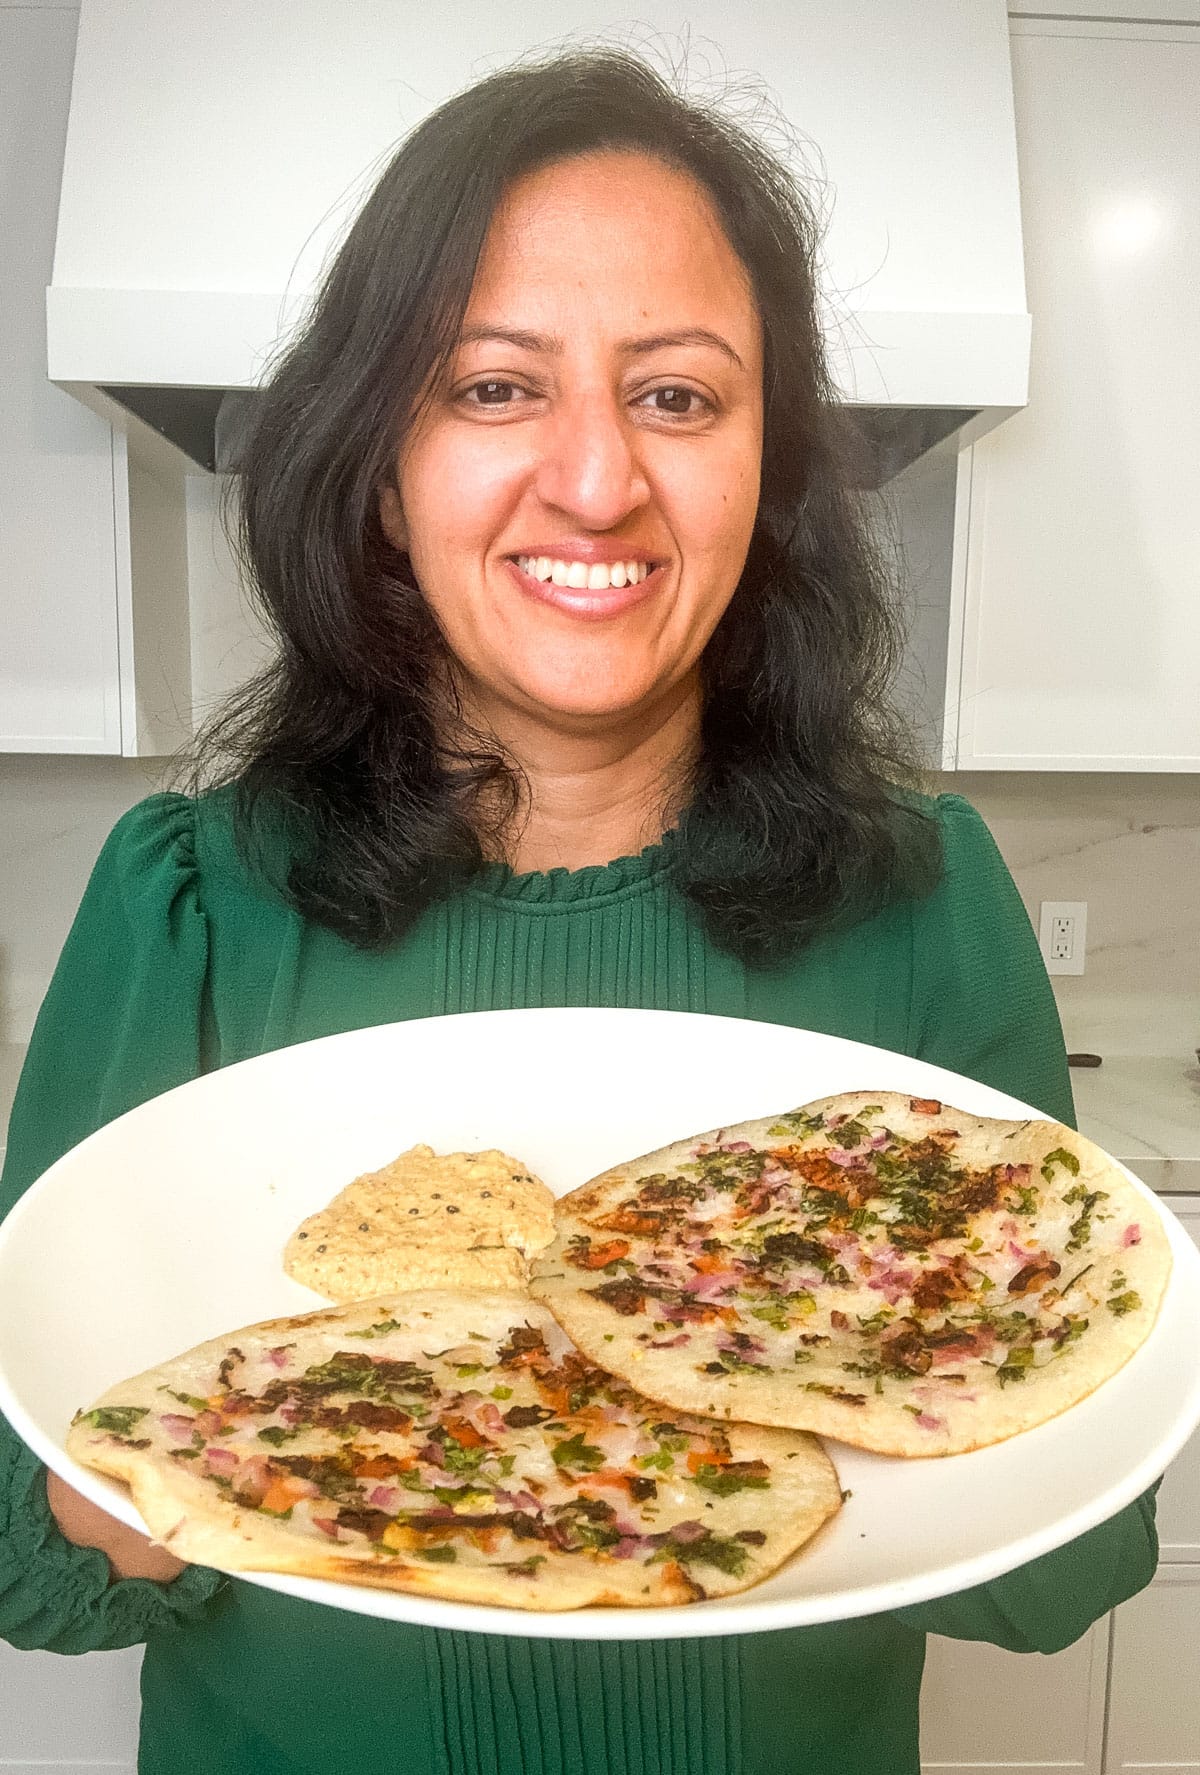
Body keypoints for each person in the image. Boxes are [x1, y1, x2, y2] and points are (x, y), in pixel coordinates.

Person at [0, 48, 1157, 1775]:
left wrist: (856, 1367)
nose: (599, 481)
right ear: (379, 465)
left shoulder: (929, 899)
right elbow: (33, 1566)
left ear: (770, 476)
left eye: (681, 398)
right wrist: (223, 1456)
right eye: (490, 388)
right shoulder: (194, 899)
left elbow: (1069, 1567)